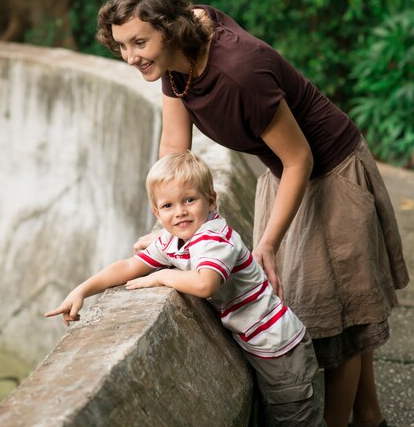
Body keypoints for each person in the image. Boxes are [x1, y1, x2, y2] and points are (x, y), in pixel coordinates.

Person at [95, 0, 409, 427]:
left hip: (330, 173)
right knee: (334, 313)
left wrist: (267, 244)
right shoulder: (177, 60)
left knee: (335, 322)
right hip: (284, 173)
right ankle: (372, 417)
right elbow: (174, 147)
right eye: (122, 46)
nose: (130, 56)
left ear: (169, 28)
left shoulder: (238, 71)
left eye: (138, 42)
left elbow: (300, 156)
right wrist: (168, 227)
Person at [45, 151, 325, 426]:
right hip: (259, 344)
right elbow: (130, 266)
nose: (179, 212)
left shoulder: (213, 238)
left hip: (280, 349)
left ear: (211, 200)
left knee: (295, 420)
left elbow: (205, 283)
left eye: (189, 200)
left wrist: (162, 277)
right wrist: (82, 290)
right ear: (157, 211)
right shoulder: (174, 239)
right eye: (168, 206)